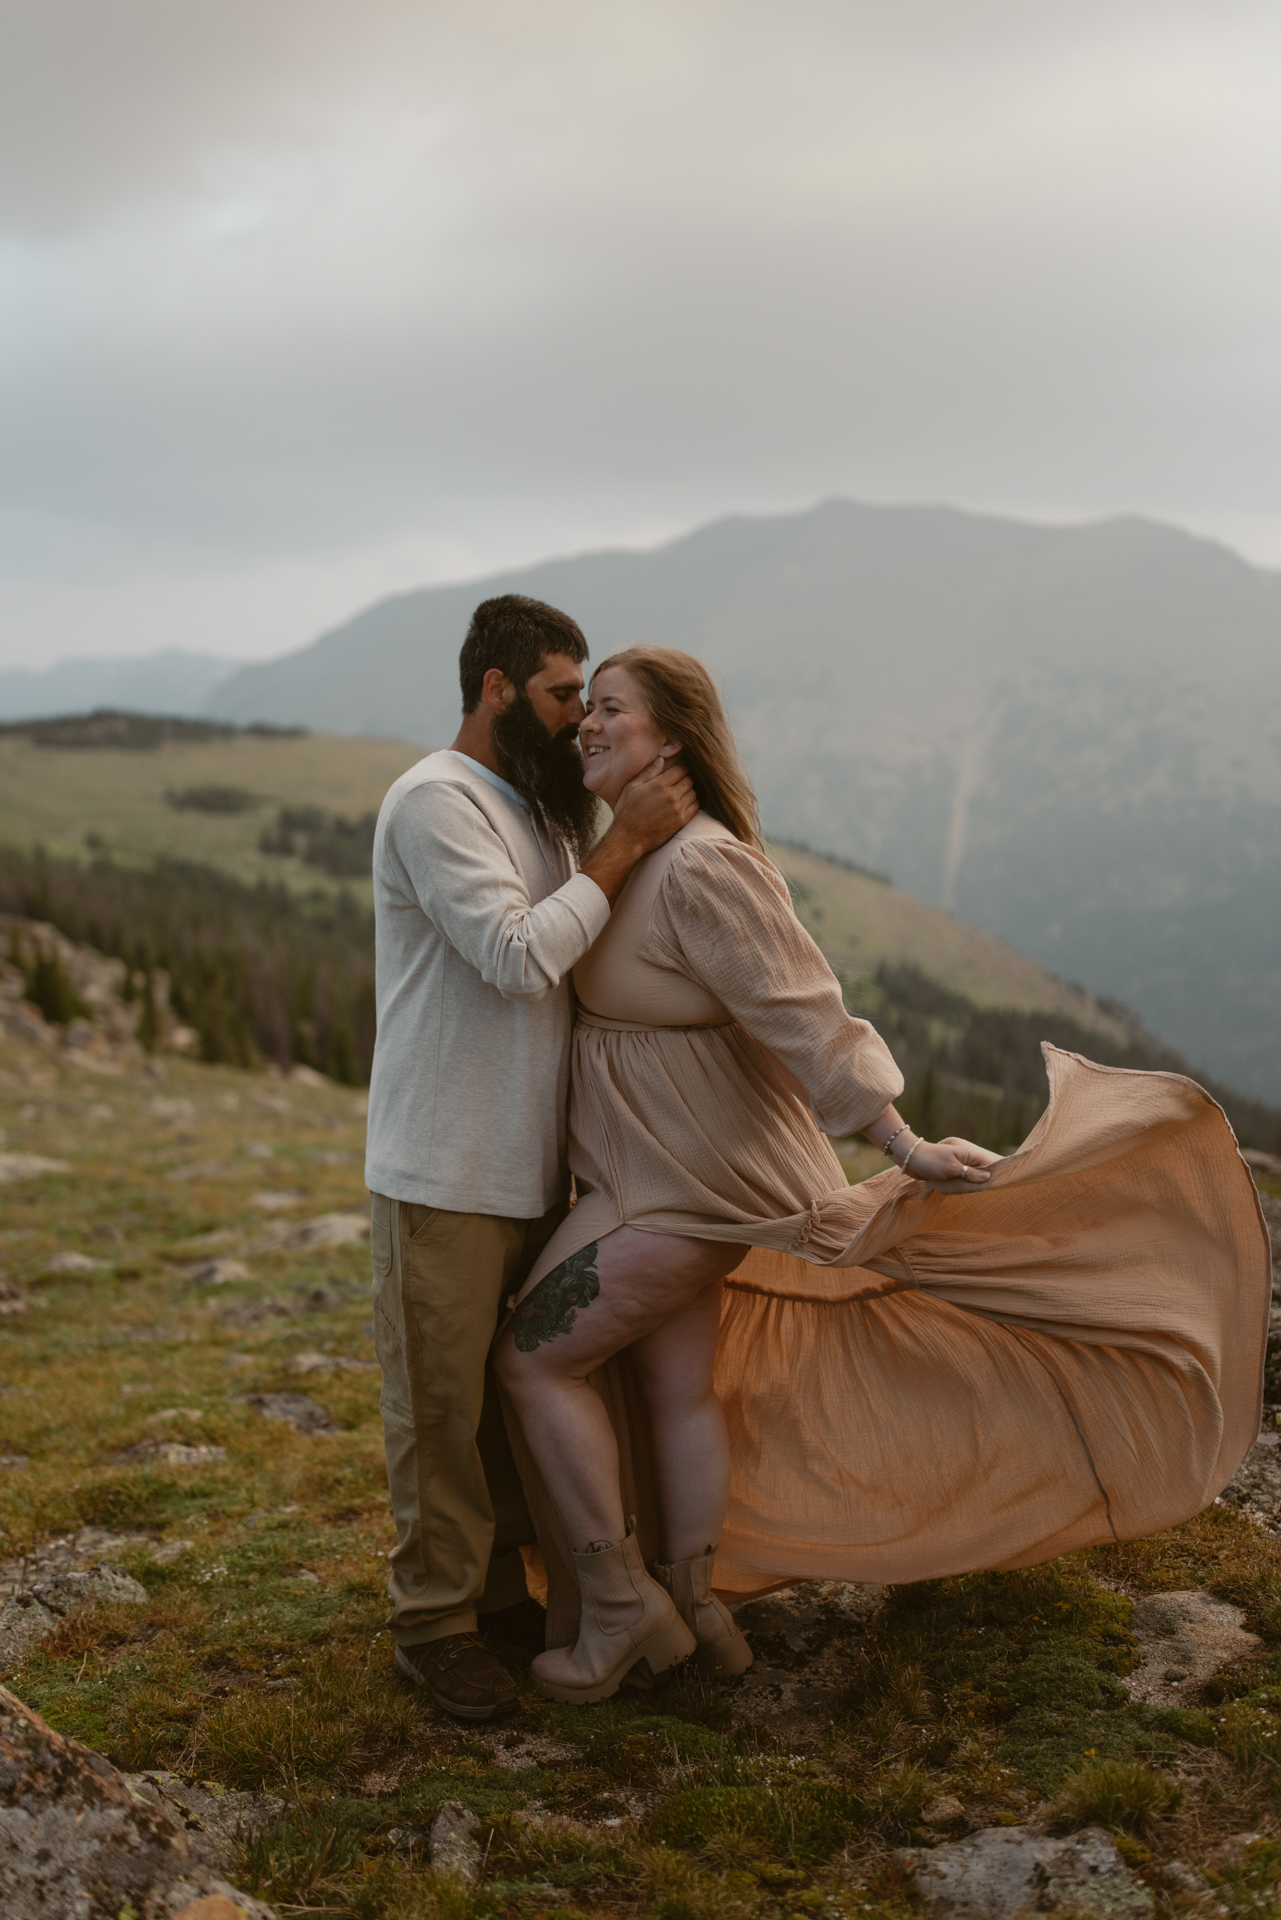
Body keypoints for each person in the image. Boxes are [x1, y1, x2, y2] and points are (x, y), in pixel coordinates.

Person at [495, 646, 1270, 1707]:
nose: (588, 722)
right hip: (660, 1173)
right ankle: (700, 1611)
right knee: (677, 1385)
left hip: (678, 1190)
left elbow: (804, 1008)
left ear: (672, 736)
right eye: (586, 709)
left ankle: (622, 1612)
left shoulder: (704, 863)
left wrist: (897, 1143)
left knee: (532, 1363)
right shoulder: (636, 851)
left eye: (614, 709)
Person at [365, 599, 697, 1722]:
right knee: (440, 1412)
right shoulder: (436, 802)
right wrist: (628, 841)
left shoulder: (543, 812)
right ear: (499, 692)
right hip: (442, 1168)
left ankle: (501, 1601)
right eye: (563, 697)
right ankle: (433, 1627)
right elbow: (516, 957)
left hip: (532, 1171)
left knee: (508, 1405)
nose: (575, 723)